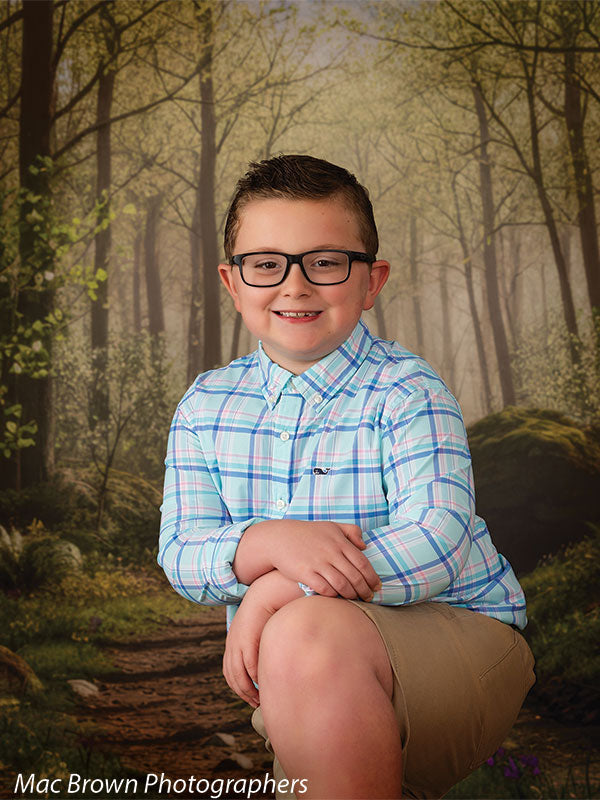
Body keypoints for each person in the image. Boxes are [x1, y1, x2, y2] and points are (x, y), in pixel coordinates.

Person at [158, 154, 535, 800]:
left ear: (371, 280)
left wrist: (281, 589)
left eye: (326, 262)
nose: (295, 286)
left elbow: (440, 541)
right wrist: (269, 542)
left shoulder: (408, 390)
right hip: (308, 665)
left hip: (459, 634)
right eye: (266, 263)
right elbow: (181, 552)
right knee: (307, 652)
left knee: (303, 630)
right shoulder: (205, 408)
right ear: (232, 282)